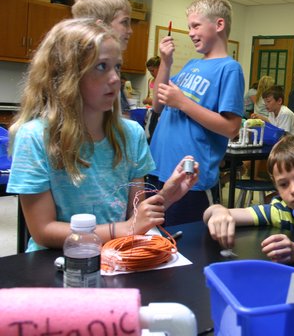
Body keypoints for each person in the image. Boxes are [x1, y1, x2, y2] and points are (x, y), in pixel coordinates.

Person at [6, 18, 198, 252]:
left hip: (116, 258)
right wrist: (125, 229)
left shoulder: (131, 134)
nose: (116, 78)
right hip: (57, 264)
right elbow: (43, 230)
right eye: (101, 67)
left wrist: (167, 195)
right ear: (67, 74)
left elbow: (134, 216)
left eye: (117, 66)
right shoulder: (35, 137)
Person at [150, 0, 245, 225]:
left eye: (196, 26)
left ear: (219, 25)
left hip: (189, 179)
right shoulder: (192, 64)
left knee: (185, 247)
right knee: (153, 242)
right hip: (158, 169)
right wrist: (166, 61)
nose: (191, 33)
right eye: (189, 27)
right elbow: (157, 104)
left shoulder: (229, 68)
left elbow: (231, 128)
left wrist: (183, 102)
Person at [203, 135, 294, 263]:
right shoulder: (281, 209)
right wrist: (218, 211)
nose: (293, 190)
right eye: (283, 184)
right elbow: (211, 215)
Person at [142, 56, 161, 141]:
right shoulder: (150, 80)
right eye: (149, 71)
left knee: (155, 132)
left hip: (159, 112)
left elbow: (162, 101)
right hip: (151, 111)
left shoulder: (163, 81)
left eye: (153, 71)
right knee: (149, 130)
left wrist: (151, 101)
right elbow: (149, 95)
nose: (151, 73)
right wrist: (145, 100)